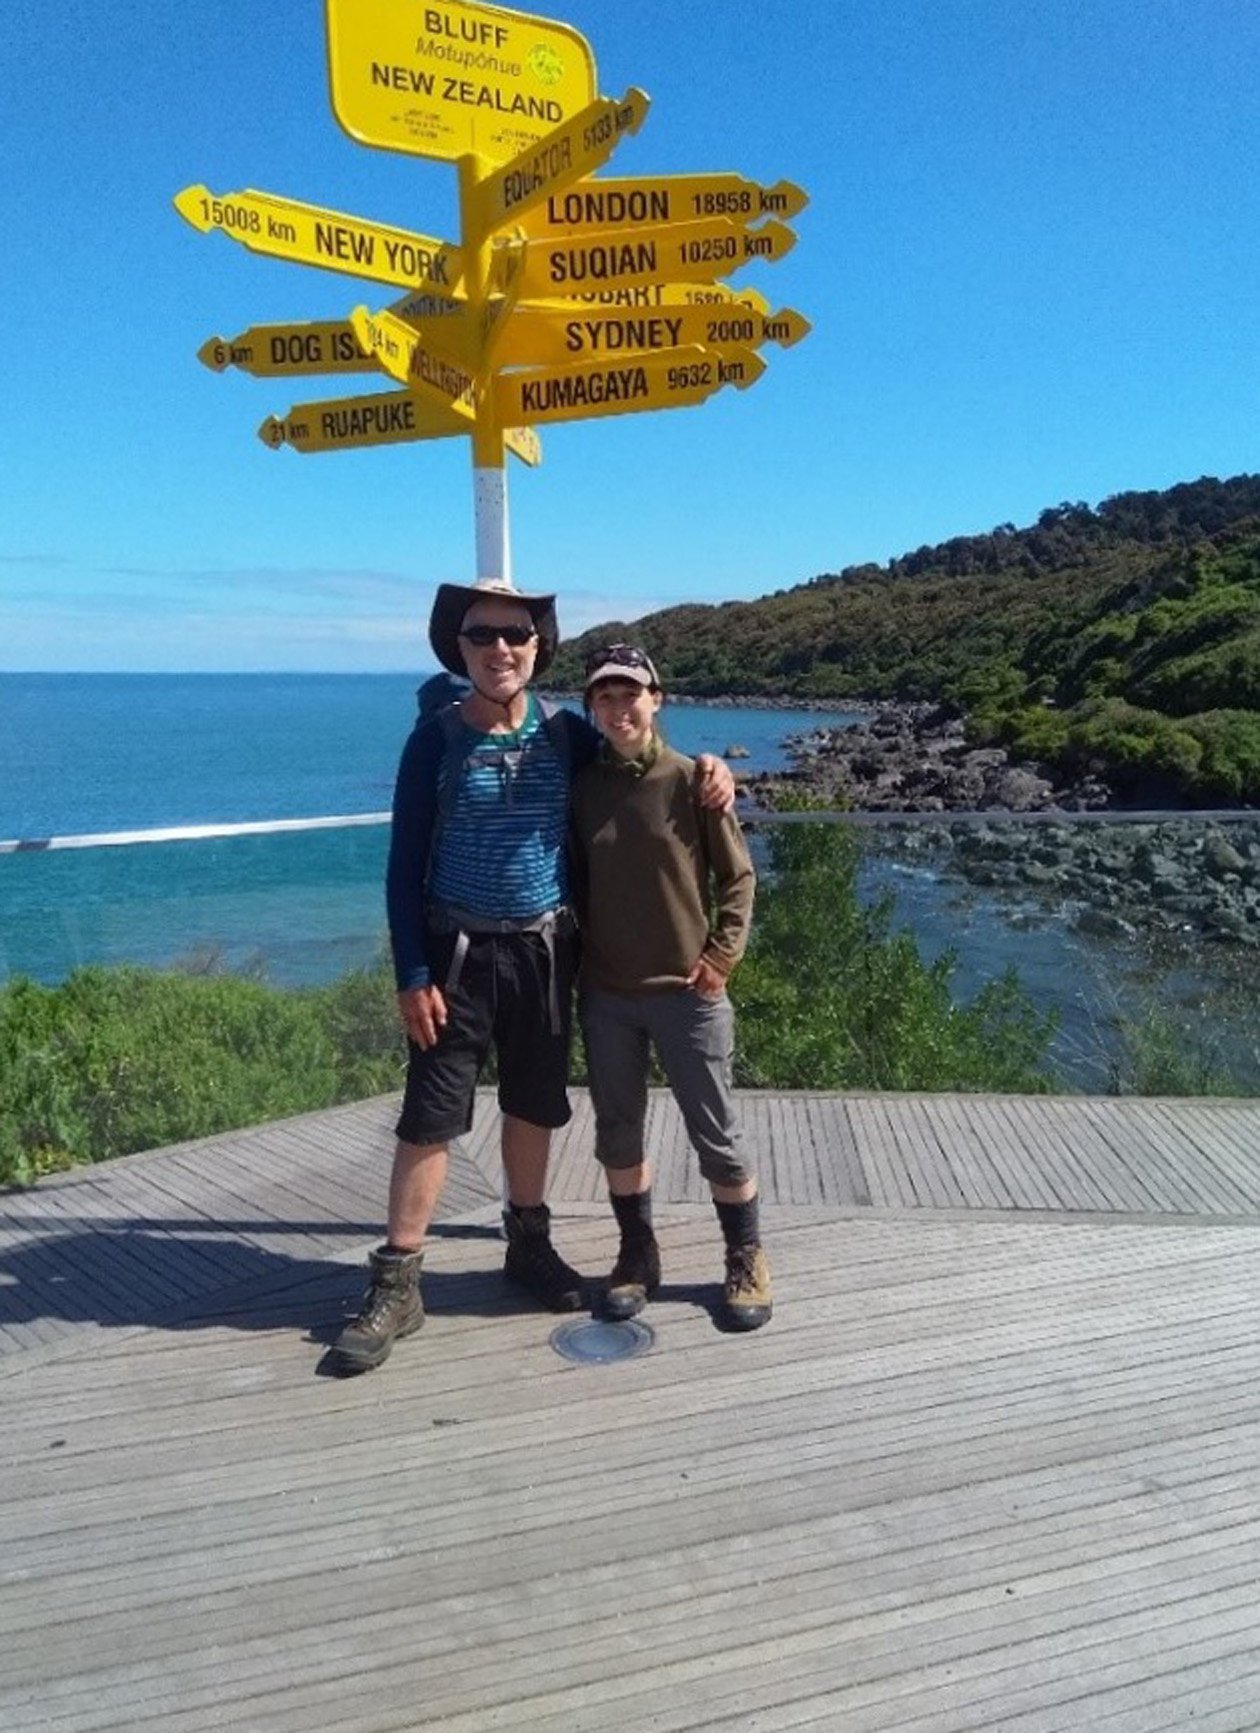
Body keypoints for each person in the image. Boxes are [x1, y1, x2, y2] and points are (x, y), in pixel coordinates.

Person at [332, 583, 735, 1373]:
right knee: (430, 1117)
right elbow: (402, 866)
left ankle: (528, 1245)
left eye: (514, 634)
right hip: (455, 957)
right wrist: (412, 970)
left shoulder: (566, 736)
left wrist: (709, 769)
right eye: (481, 635)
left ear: (536, 647)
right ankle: (397, 1282)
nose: (499, 647)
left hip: (547, 954)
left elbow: (636, 755)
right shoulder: (435, 741)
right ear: (461, 647)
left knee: (534, 1105)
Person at [570, 645, 772, 1331]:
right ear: (590, 707)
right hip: (607, 995)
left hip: (688, 994)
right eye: (605, 697)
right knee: (618, 1133)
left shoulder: (694, 780)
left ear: (657, 699)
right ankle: (637, 1254)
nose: (619, 708)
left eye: (631, 694)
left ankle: (744, 1256)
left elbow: (738, 878)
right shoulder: (582, 784)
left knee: (717, 1135)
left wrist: (721, 955)